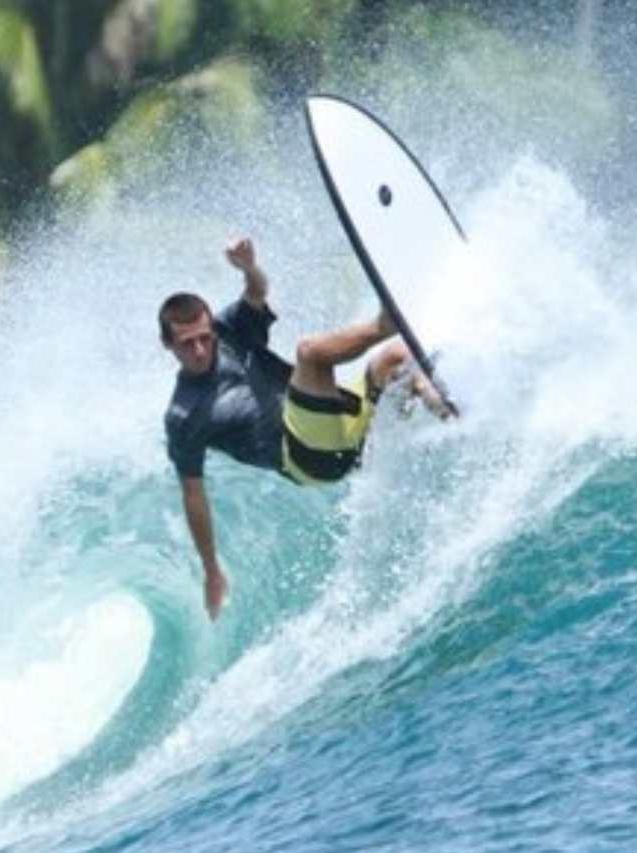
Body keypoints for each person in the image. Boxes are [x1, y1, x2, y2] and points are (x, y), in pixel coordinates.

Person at [160, 236, 454, 620]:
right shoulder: (184, 416)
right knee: (311, 353)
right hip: (306, 459)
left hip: (342, 429)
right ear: (168, 345)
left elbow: (256, 291)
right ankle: (386, 322)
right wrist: (211, 570)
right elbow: (193, 496)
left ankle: (451, 412)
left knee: (398, 360)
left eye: (204, 338)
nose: (199, 350)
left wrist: (249, 267)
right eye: (187, 345)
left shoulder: (229, 331)